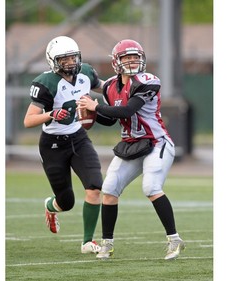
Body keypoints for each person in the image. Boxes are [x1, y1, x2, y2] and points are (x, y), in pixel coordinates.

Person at [77, 39, 185, 260]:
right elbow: (111, 119)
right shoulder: (109, 87)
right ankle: (107, 244)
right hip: (131, 145)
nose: (132, 61)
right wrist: (92, 114)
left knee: (151, 187)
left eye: (135, 57)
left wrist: (95, 106)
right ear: (117, 62)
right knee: (109, 190)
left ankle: (175, 240)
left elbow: (127, 111)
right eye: (127, 57)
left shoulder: (148, 81)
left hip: (156, 143)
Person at [23, 35, 104, 254]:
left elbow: (105, 87)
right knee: (66, 201)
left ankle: (88, 241)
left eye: (72, 57)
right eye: (64, 59)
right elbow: (28, 120)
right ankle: (51, 207)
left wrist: (124, 93)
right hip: (53, 145)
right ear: (53, 61)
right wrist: (50, 114)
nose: (70, 62)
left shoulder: (86, 72)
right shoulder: (46, 82)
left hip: (78, 137)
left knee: (95, 186)